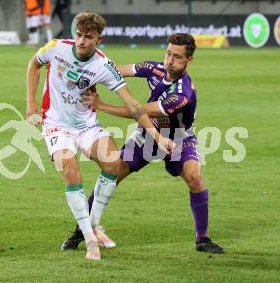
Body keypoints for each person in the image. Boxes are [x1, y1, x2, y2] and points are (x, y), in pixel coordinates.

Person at [26, 12, 174, 260]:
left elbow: (133, 105)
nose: (82, 41)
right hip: (56, 125)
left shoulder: (104, 66)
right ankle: (91, 240)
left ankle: (91, 227)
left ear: (99, 39)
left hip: (86, 125)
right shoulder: (57, 48)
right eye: (79, 35)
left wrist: (157, 138)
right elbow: (34, 64)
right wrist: (30, 103)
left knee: (113, 162)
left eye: (88, 37)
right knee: (71, 171)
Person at [61, 33, 225, 254]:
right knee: (113, 173)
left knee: (195, 177)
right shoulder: (154, 68)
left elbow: (138, 112)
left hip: (178, 140)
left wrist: (101, 105)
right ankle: (82, 231)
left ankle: (203, 239)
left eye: (177, 57)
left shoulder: (183, 93)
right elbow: (113, 69)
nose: (169, 60)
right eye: (168, 53)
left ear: (189, 61)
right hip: (148, 136)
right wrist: (81, 71)